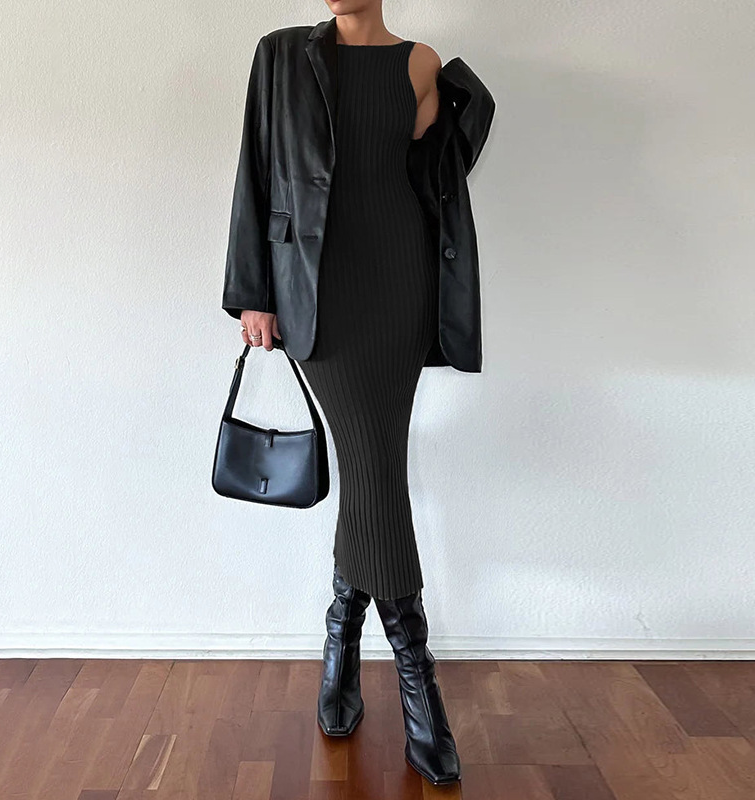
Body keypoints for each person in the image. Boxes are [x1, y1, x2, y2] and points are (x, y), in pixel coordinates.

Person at [223, 0, 495, 787]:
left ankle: (343, 634)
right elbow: (255, 171)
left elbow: (433, 176)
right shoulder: (281, 56)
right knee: (377, 471)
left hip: (401, 287)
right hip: (320, 297)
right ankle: (417, 680)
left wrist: (467, 107)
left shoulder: (420, 63)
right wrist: (252, 292)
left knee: (374, 470)